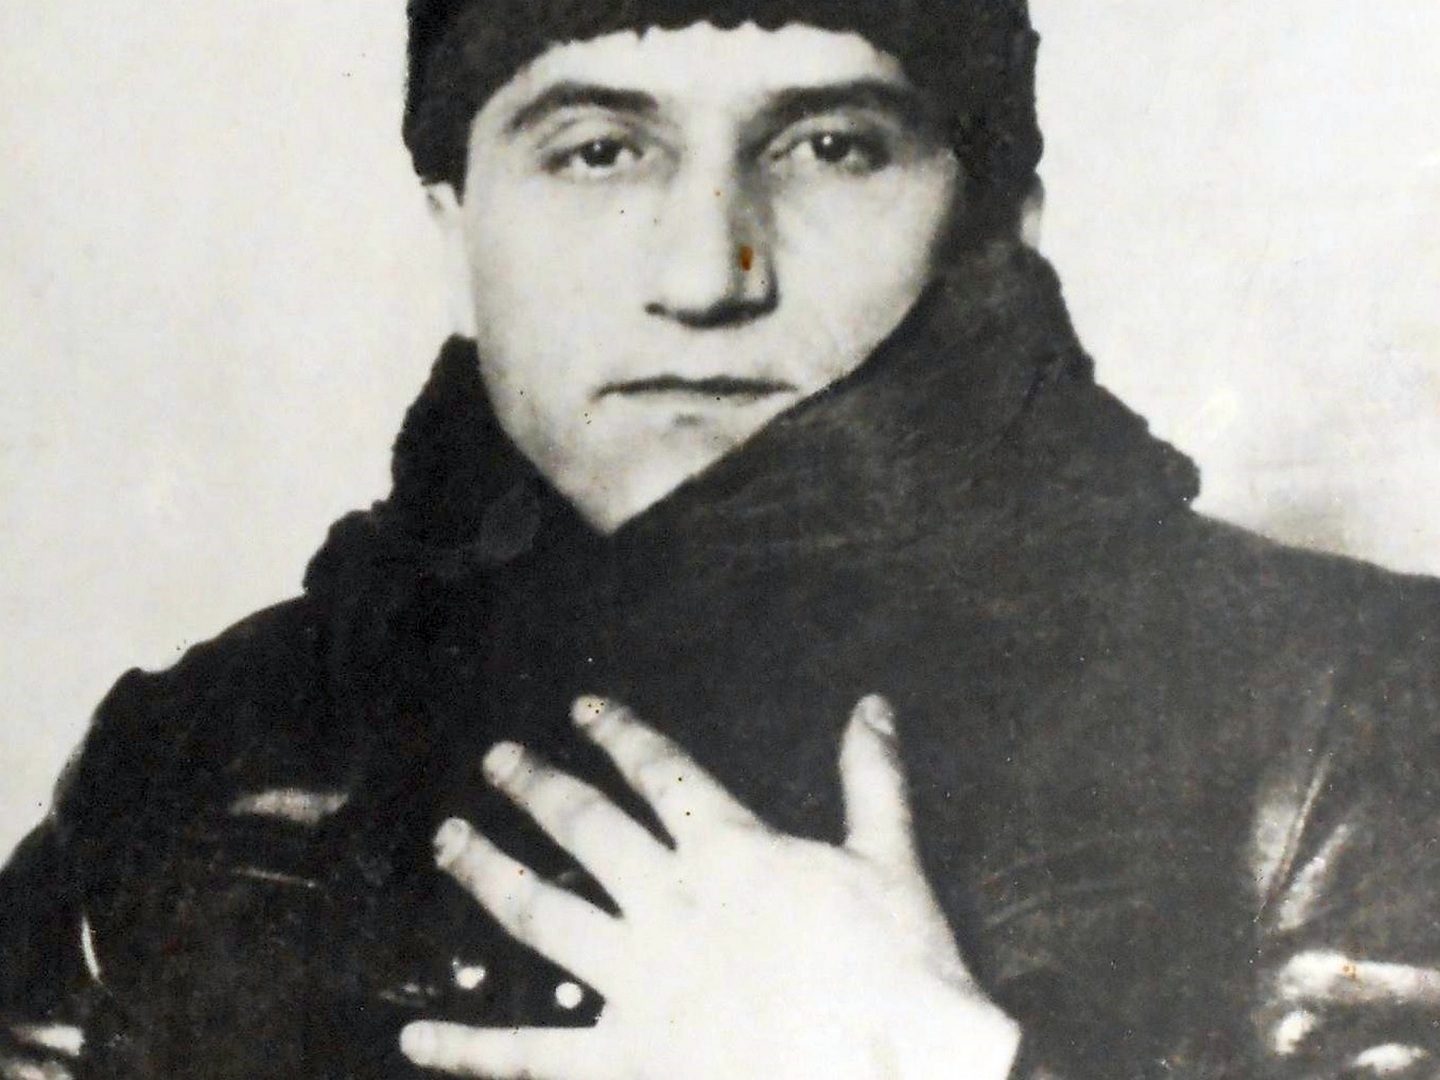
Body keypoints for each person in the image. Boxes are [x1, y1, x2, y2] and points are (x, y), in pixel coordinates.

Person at [3, 1, 1439, 1078]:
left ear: (1002, 219)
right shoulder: (201, 748)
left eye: (828, 147)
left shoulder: (1353, 710)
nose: (706, 273)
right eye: (599, 151)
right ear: (454, 232)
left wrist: (931, 1068)